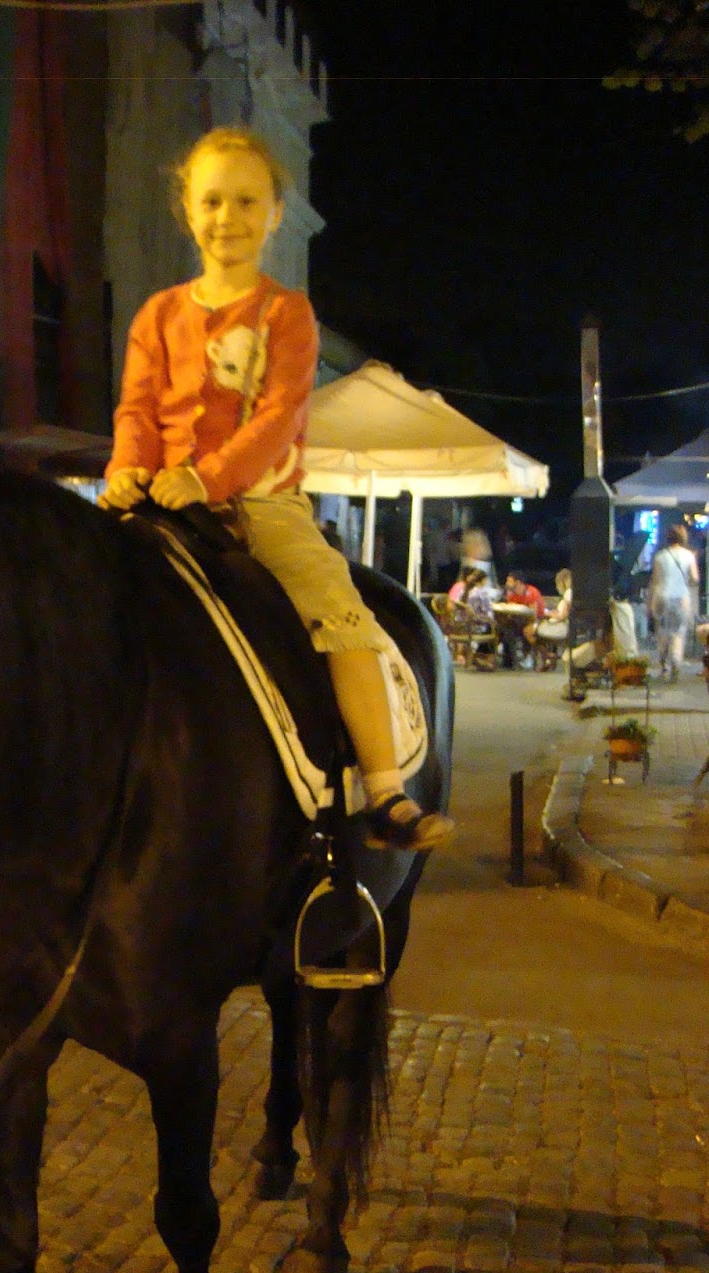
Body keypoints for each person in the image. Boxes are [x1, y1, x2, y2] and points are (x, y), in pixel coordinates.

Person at [101, 126, 453, 851]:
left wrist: (206, 477)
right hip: (159, 498)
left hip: (260, 503)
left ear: (275, 215)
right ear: (187, 210)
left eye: (245, 201)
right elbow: (136, 407)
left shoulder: (285, 313)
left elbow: (278, 416)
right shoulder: (157, 315)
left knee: (338, 610)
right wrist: (127, 468)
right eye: (212, 201)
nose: (226, 217)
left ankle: (385, 790)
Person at [648, 523, 699, 680]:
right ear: (683, 537)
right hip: (681, 598)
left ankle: (664, 666)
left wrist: (650, 603)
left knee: (662, 631)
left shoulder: (660, 556)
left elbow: (655, 581)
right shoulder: (689, 556)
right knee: (679, 632)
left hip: (662, 597)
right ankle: (676, 661)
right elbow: (695, 579)